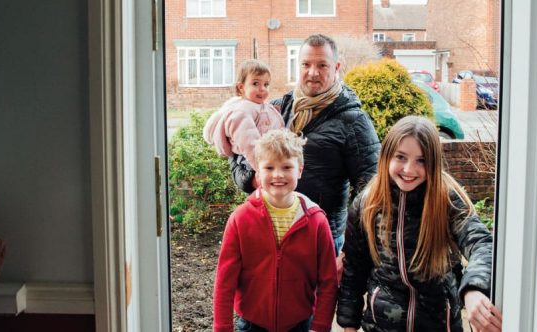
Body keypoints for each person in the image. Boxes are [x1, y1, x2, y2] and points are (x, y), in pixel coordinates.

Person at [336, 116, 502, 332]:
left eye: (421, 161)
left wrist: (473, 289)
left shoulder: (446, 200)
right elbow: (353, 270)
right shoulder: (368, 203)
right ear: (386, 156)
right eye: (401, 157)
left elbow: (482, 244)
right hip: (382, 325)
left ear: (433, 163)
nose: (409, 169)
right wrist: (348, 325)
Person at [229, 34, 381, 259]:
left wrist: (350, 252)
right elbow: (236, 158)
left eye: (322, 65)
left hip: (321, 238)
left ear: (336, 67)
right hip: (270, 232)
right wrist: (252, 178)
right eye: (306, 64)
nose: (313, 72)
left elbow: (371, 193)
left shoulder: (354, 121)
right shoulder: (275, 109)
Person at [212, 129, 338, 332]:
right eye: (269, 167)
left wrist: (321, 326)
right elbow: (225, 281)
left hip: (301, 324)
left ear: (300, 170)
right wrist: (222, 327)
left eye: (286, 167)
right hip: (252, 324)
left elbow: (328, 280)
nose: (278, 174)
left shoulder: (316, 221)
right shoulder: (240, 219)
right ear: (258, 172)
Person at [203, 59, 285, 175]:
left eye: (266, 84)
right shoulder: (241, 112)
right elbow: (249, 144)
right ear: (241, 87)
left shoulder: (261, 106)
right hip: (253, 162)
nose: (262, 88)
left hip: (267, 159)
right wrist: (264, 171)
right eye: (255, 83)